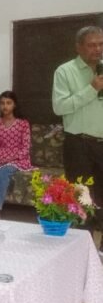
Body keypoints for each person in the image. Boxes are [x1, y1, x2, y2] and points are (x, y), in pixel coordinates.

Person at [53, 26, 103, 253]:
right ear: (79, 47)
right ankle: (83, 252)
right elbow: (59, 106)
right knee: (82, 201)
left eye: (101, 44)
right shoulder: (65, 72)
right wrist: (92, 89)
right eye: (92, 45)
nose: (98, 49)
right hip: (79, 145)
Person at [0, 91, 33, 218]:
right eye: (2, 103)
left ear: (14, 105)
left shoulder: (23, 123)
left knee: (2, 173)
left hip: (18, 158)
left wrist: (10, 158)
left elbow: (25, 147)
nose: (5, 106)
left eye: (8, 103)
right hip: (0, 157)